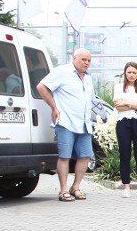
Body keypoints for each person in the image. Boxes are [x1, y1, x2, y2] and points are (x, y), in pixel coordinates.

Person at [36, 48, 95, 202]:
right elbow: (41, 87)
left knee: (85, 155)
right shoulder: (62, 71)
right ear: (74, 58)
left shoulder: (88, 78)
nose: (86, 63)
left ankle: (75, 187)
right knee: (65, 156)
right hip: (66, 121)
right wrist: (54, 107)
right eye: (83, 59)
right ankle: (63, 190)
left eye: (89, 60)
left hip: (84, 123)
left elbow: (90, 99)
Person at [113, 62, 137, 198]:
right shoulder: (118, 88)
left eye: (134, 72)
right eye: (129, 72)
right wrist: (136, 105)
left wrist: (127, 103)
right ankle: (126, 187)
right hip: (123, 123)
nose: (131, 75)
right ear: (125, 73)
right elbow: (118, 107)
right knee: (125, 155)